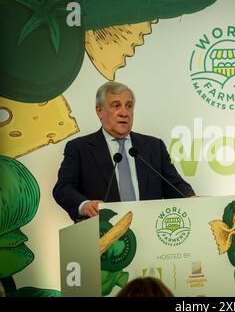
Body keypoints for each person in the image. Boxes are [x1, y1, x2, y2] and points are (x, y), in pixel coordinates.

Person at [53, 81, 195, 222]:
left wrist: (191, 199)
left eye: (129, 106)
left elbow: (174, 185)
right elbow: (63, 189)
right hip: (102, 232)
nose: (124, 113)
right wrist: (84, 205)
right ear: (99, 110)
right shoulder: (80, 148)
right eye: (116, 106)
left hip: (151, 230)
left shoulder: (153, 147)